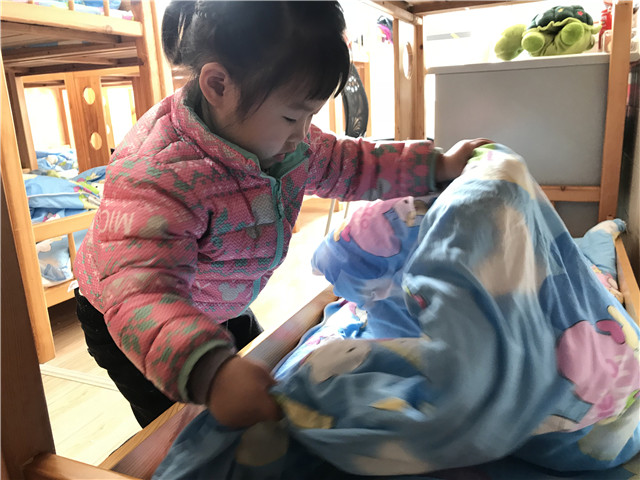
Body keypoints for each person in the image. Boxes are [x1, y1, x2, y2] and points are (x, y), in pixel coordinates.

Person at [74, 0, 491, 429]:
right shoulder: (158, 177)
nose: (302, 134)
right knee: (188, 433)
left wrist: (436, 166)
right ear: (218, 85)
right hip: (134, 322)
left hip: (219, 299)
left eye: (310, 116)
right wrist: (210, 372)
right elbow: (142, 292)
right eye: (292, 115)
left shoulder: (280, 141)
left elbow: (350, 164)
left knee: (268, 387)